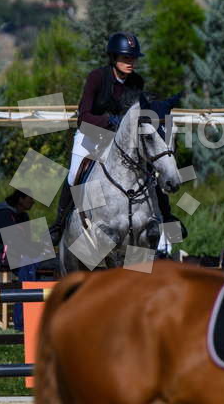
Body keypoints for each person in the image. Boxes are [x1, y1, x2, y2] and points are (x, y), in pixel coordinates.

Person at [49, 31, 183, 244]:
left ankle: (166, 217)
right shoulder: (97, 77)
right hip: (92, 133)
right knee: (74, 174)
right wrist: (109, 120)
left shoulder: (136, 81)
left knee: (150, 168)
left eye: (133, 58)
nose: (131, 62)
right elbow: (83, 117)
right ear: (113, 58)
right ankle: (58, 225)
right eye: (125, 58)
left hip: (122, 140)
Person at [0, 189, 36, 331]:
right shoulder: (2, 214)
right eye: (30, 198)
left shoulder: (24, 216)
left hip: (18, 257)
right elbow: (12, 240)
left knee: (37, 266)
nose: (33, 202)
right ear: (20, 199)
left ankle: (32, 316)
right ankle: (21, 321)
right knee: (28, 270)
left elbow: (27, 241)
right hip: (2, 258)